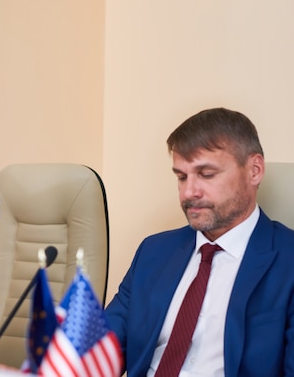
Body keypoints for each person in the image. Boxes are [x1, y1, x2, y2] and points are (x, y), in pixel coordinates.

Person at [105, 108, 294, 376]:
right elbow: (101, 349)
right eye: (181, 177)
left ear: (254, 171)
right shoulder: (154, 252)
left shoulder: (289, 260)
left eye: (206, 174)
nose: (189, 192)